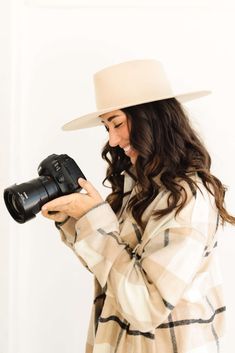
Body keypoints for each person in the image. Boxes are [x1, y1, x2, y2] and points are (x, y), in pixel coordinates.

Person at [41, 59, 235, 353]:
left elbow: (145, 307)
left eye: (117, 123)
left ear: (153, 118)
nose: (113, 139)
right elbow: (114, 273)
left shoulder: (187, 197)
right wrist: (74, 219)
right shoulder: (139, 187)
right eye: (106, 126)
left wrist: (92, 220)